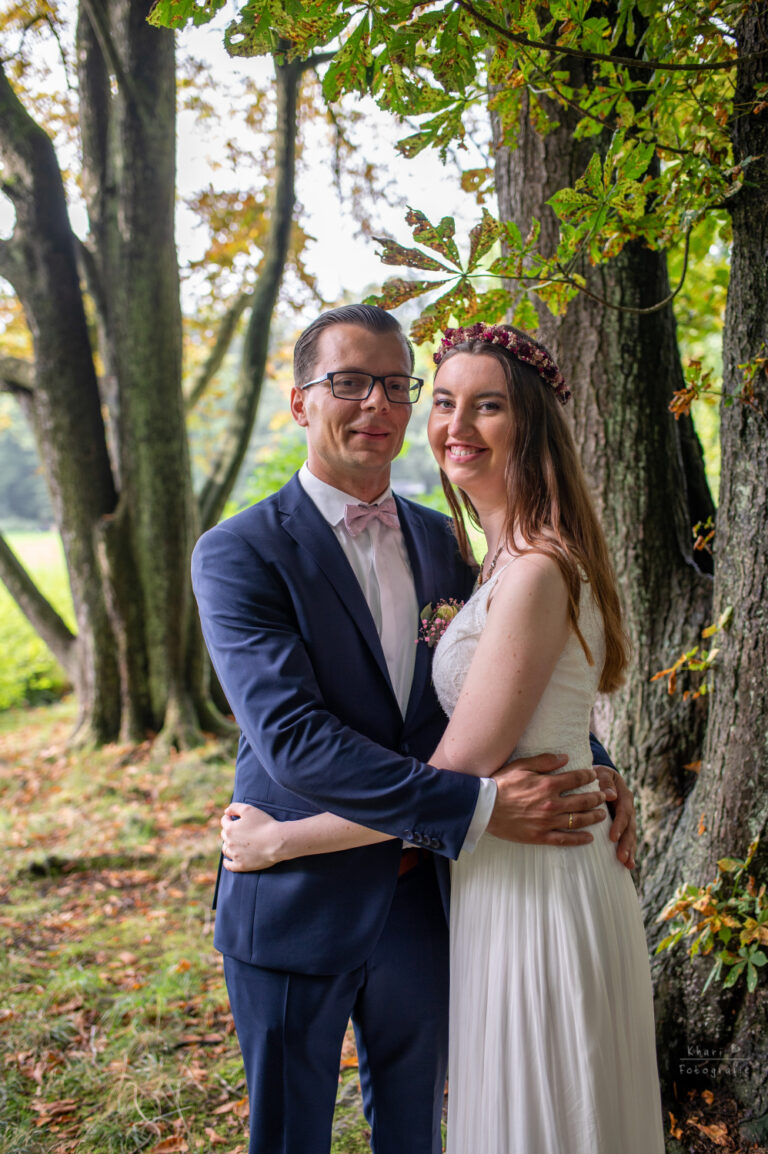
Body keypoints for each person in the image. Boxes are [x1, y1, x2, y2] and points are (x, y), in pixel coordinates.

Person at [192, 305, 637, 1154]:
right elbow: (295, 741)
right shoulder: (238, 552)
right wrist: (474, 805)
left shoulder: (450, 542)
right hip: (297, 895)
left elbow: (509, 680)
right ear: (298, 402)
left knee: (418, 1130)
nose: (378, 406)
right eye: (349, 382)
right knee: (288, 1135)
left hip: (426, 900)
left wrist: (589, 765)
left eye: (398, 386)